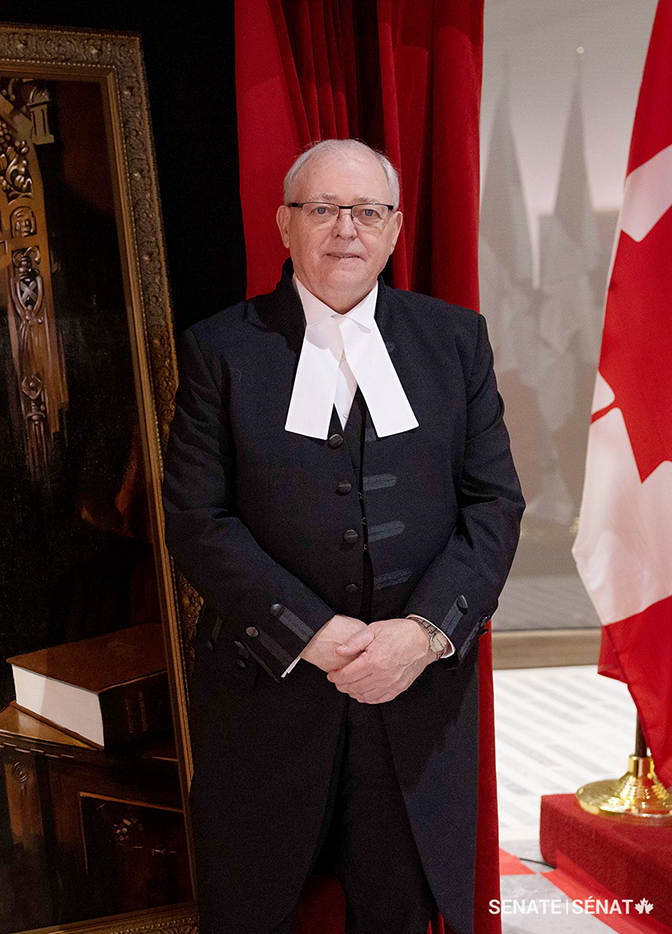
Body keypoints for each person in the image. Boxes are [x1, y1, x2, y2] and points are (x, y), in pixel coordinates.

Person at [162, 139, 523, 934]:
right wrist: (309, 633)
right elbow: (195, 519)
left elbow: (494, 505)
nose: (345, 230)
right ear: (284, 224)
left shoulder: (454, 339)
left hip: (413, 702)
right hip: (267, 699)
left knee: (397, 916)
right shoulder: (220, 348)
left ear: (394, 229)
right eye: (322, 209)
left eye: (366, 211)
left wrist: (424, 634)